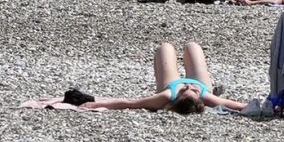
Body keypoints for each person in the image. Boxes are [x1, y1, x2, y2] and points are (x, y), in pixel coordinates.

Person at [82, 42, 246, 114]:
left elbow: (129, 103)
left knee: (165, 47)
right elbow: (241, 106)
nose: (188, 86)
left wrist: (96, 104)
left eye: (184, 91)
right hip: (201, 83)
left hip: (171, 84)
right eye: (191, 91)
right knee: (192, 46)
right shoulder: (205, 95)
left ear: (177, 97)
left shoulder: (168, 96)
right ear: (200, 99)